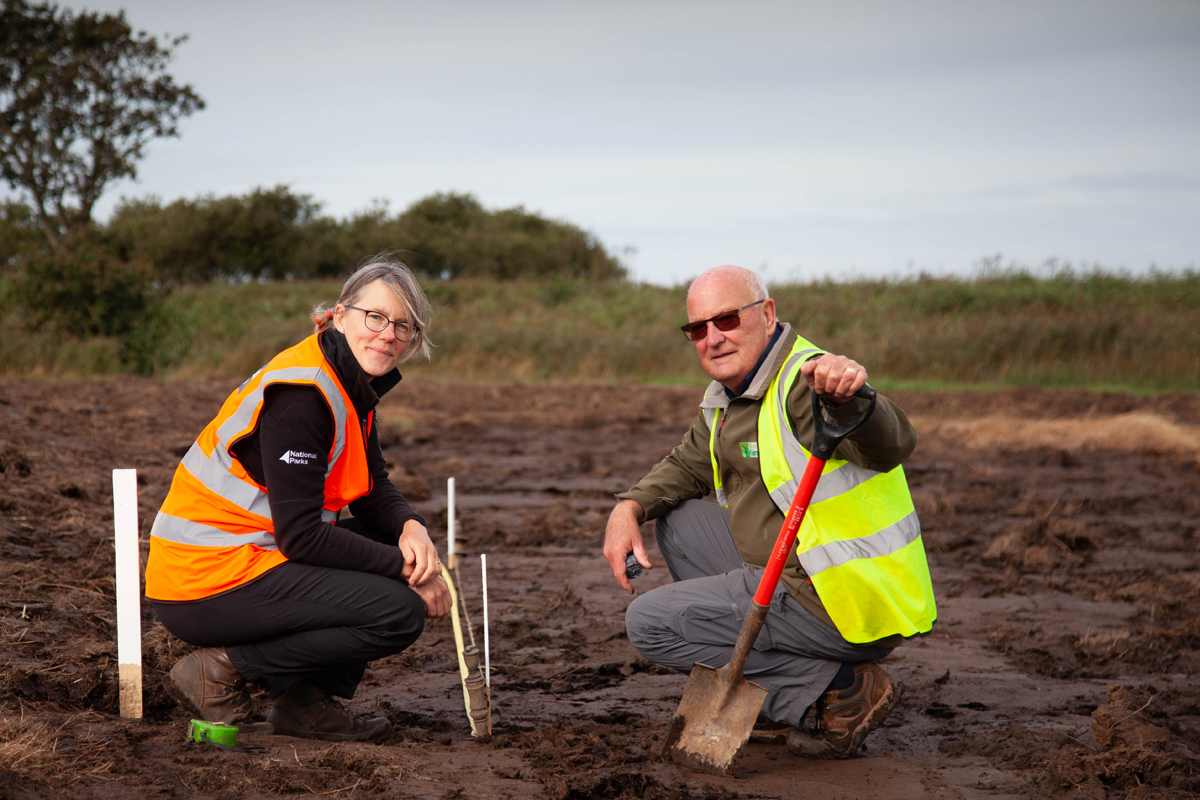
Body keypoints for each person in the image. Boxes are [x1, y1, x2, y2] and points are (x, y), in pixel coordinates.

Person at [603, 264, 936, 758]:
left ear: (767, 314)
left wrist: (854, 399)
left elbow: (891, 444)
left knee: (649, 623)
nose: (713, 338)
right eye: (698, 329)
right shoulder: (730, 396)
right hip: (797, 573)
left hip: (844, 599)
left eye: (727, 320)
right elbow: (689, 462)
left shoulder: (808, 382)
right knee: (678, 521)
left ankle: (836, 691)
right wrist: (628, 508)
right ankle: (796, 683)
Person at [145, 255, 451, 742]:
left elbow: (371, 486)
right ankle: (222, 669)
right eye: (375, 317)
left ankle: (302, 705)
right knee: (398, 611)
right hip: (203, 579)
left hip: (253, 554)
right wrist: (405, 568)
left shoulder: (347, 383)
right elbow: (302, 538)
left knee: (385, 539)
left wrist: (412, 529)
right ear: (339, 314)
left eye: (403, 326)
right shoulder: (303, 393)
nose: (388, 334)